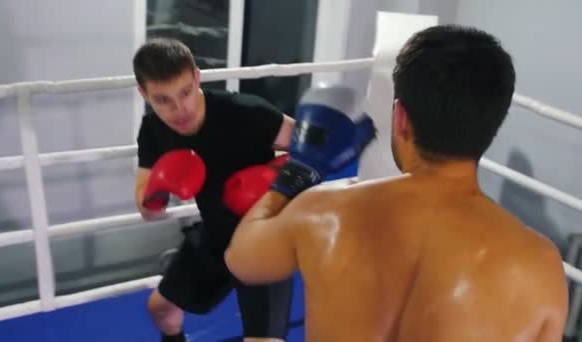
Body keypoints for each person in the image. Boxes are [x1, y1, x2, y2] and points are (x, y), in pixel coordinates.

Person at [223, 25, 569, 341]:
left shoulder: (322, 211)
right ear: (490, 127)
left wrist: (296, 173)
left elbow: (242, 259)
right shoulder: (541, 266)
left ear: (400, 117)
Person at [133, 37, 296, 342]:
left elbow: (313, 149)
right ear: (144, 93)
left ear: (197, 76)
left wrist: (272, 177)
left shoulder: (245, 112)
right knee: (161, 309)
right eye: (163, 99)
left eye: (185, 92)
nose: (180, 109)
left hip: (264, 240)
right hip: (216, 236)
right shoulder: (153, 130)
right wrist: (158, 190)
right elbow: (148, 212)